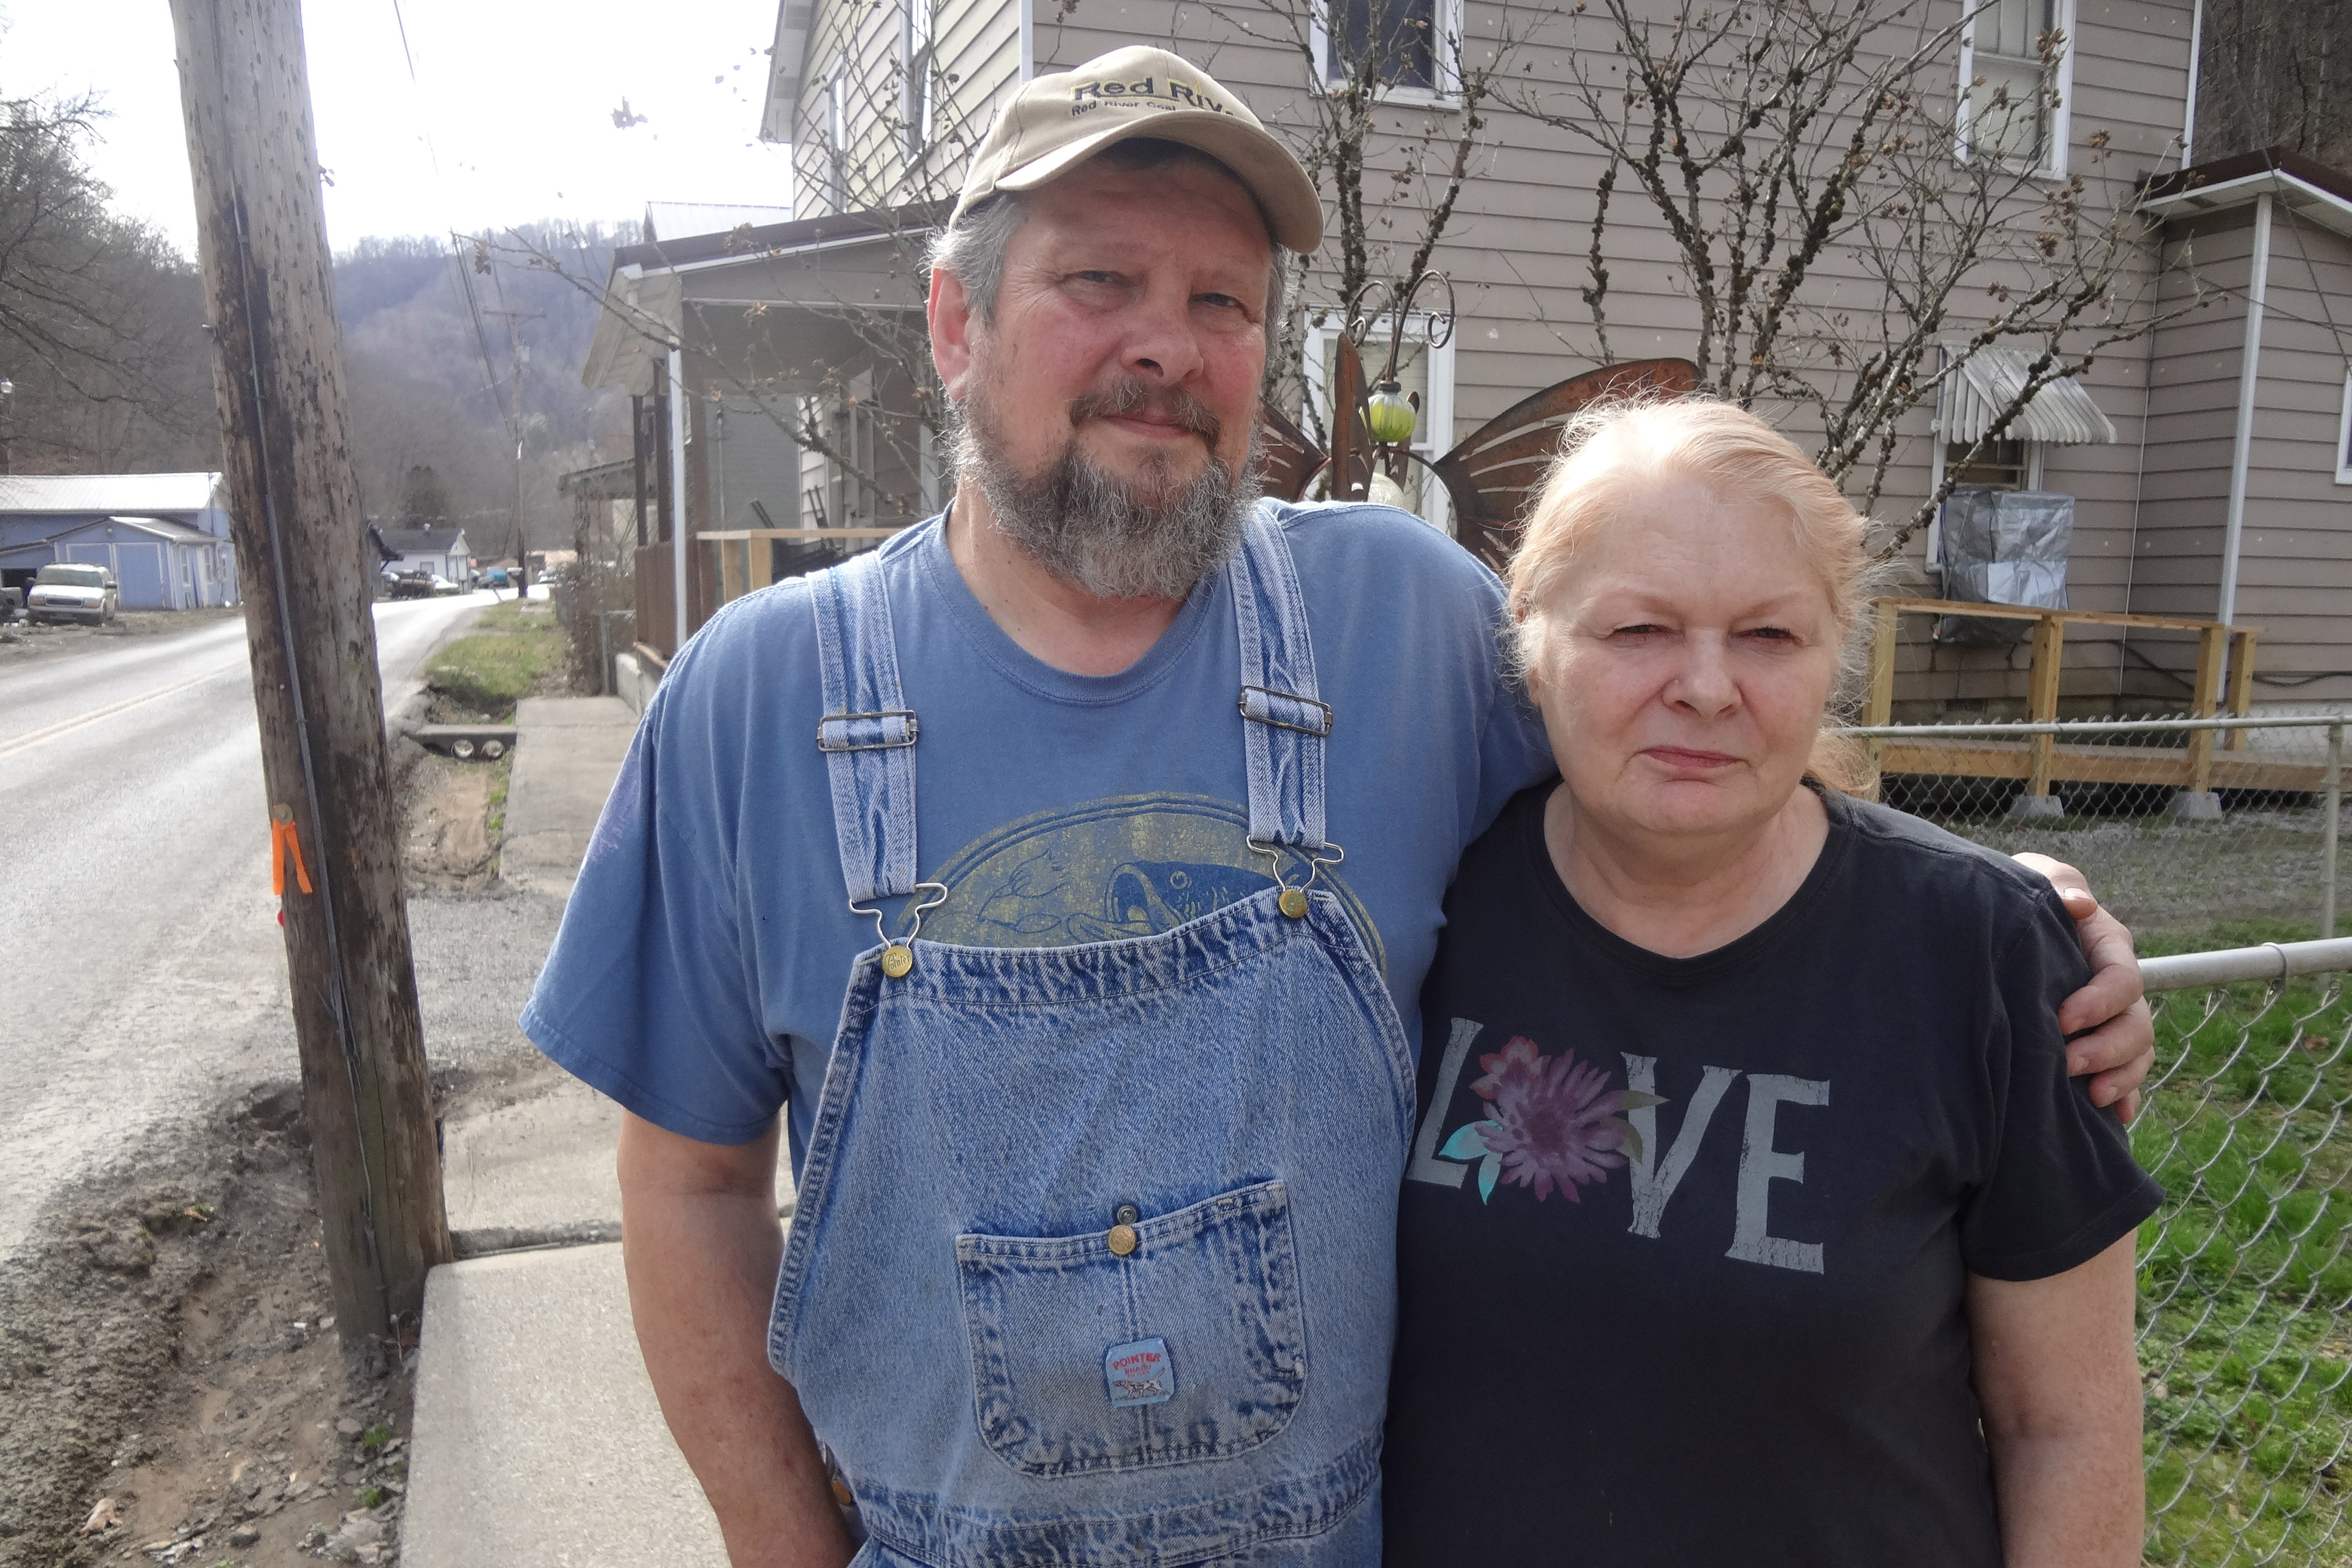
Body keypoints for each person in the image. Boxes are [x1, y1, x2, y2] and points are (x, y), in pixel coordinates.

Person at [521, 45, 2155, 1568]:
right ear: (955, 324)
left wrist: (1996, 920)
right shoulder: (758, 698)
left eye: (1223, 300)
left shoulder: (1400, 620)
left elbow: (1687, 780)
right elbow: (687, 1190)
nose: (1168, 344)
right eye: (1101, 281)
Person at [1382, 400, 2161, 1567]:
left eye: (1767, 636)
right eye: (1639, 629)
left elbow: (2071, 1424)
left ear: (1835, 653)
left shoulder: (1984, 955)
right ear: (1530, 646)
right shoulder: (1415, 909)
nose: (1705, 686)